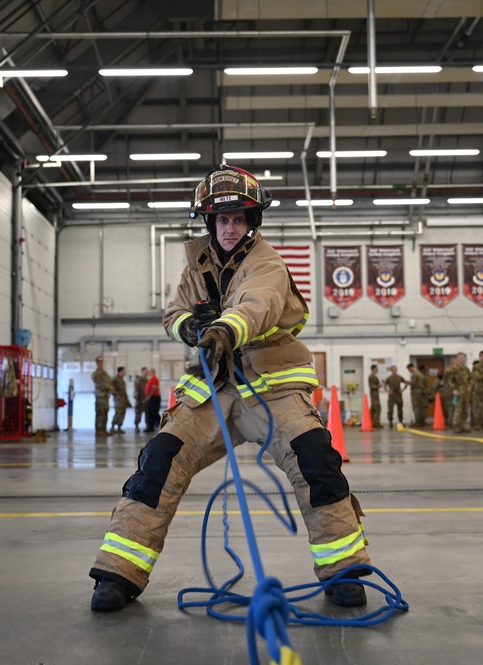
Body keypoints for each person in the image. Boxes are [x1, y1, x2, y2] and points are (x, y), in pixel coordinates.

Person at [89, 165, 371, 612]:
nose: (229, 227)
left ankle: (345, 570)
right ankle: (118, 572)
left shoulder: (268, 264)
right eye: (222, 219)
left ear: (252, 222)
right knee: (159, 460)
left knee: (315, 458)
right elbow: (173, 314)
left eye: (239, 218)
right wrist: (190, 329)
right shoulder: (195, 266)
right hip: (211, 390)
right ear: (209, 222)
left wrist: (223, 330)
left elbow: (256, 305)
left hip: (271, 387)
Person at [448, 353, 472, 434]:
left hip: (466, 391)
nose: (462, 359)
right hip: (458, 391)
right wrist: (453, 389)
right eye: (460, 357)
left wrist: (470, 385)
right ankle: (456, 426)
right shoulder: (454, 369)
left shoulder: (466, 369)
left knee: (465, 409)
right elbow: (450, 380)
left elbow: (470, 378)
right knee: (458, 409)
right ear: (457, 359)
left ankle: (463, 425)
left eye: (463, 357)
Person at [92, 356, 112, 436]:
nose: (101, 363)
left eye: (102, 362)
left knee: (105, 413)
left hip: (106, 396)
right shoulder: (96, 374)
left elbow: (110, 382)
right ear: (97, 363)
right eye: (99, 362)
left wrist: (109, 391)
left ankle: (104, 429)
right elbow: (100, 383)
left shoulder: (105, 373)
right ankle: (99, 430)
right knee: (100, 413)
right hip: (100, 396)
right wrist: (108, 387)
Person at [110, 366, 130, 434]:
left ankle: (119, 427)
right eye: (124, 371)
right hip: (118, 399)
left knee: (122, 413)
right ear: (120, 371)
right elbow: (111, 387)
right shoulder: (115, 379)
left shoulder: (122, 379)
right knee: (118, 413)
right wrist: (116, 395)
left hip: (123, 399)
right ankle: (112, 427)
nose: (125, 372)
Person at [407, 363, 427, 427]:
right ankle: (422, 422)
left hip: (416, 392)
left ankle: (417, 422)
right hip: (422, 392)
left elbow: (412, 383)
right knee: (421, 407)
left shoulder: (414, 374)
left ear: (411, 368)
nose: (409, 371)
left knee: (416, 407)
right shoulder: (421, 374)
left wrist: (406, 382)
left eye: (409, 369)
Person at [133, 367, 148, 432]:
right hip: (139, 399)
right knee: (138, 413)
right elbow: (136, 390)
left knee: (147, 413)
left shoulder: (147, 380)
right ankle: (137, 426)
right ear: (142, 371)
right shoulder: (138, 380)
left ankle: (147, 425)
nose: (146, 373)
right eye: (145, 371)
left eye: (147, 371)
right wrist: (136, 399)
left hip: (146, 399)